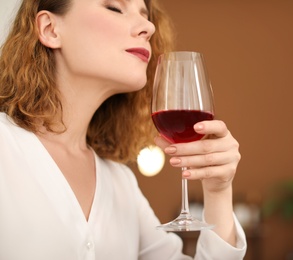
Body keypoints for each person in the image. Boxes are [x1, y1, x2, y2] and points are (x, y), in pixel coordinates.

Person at [0, 0, 247, 259]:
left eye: (145, 15)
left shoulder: (121, 184)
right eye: (115, 8)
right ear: (50, 29)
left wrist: (218, 190)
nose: (149, 27)